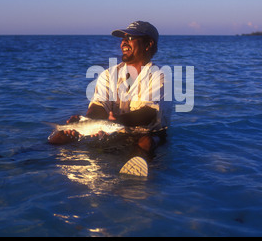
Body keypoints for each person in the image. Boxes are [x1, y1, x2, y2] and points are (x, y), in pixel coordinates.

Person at [48, 21, 171, 161]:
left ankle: (139, 174)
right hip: (111, 130)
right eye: (123, 38)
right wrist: (89, 120)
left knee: (146, 143)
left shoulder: (159, 75)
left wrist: (113, 122)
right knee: (60, 136)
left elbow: (148, 113)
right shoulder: (108, 74)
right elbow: (99, 104)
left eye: (130, 38)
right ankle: (33, 159)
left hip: (147, 133)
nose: (123, 43)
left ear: (148, 44)